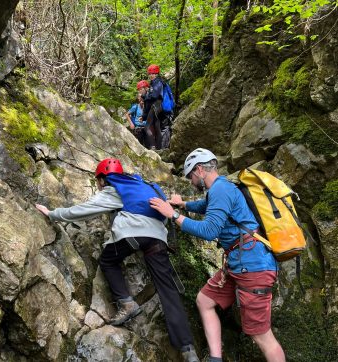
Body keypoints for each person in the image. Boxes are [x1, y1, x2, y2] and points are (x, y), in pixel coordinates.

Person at [35, 158, 200, 362]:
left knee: (108, 261)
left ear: (103, 178)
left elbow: (83, 210)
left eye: (98, 181)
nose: (98, 185)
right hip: (158, 238)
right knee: (168, 290)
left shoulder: (115, 188)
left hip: (133, 235)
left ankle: (127, 303)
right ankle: (188, 349)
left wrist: (52, 214)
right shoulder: (144, 186)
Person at [149, 148, 286, 362]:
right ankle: (215, 359)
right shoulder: (220, 190)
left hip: (253, 267)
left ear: (200, 170)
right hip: (238, 264)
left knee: (261, 336)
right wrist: (183, 204)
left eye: (191, 176)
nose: (191, 181)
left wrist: (173, 215)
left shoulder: (221, 190)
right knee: (205, 301)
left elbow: (209, 230)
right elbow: (205, 206)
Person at [140, 64, 165, 150]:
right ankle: (159, 148)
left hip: (156, 105)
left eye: (153, 73)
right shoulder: (155, 83)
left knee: (147, 127)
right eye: (149, 74)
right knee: (157, 127)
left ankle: (153, 147)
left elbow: (154, 96)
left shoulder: (158, 82)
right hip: (157, 106)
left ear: (156, 73)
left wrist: (145, 96)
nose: (151, 75)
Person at [125, 82, 148, 146]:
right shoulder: (135, 107)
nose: (142, 100)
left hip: (146, 128)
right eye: (140, 98)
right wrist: (131, 124)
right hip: (138, 129)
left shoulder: (147, 106)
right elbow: (127, 114)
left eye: (143, 98)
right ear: (138, 98)